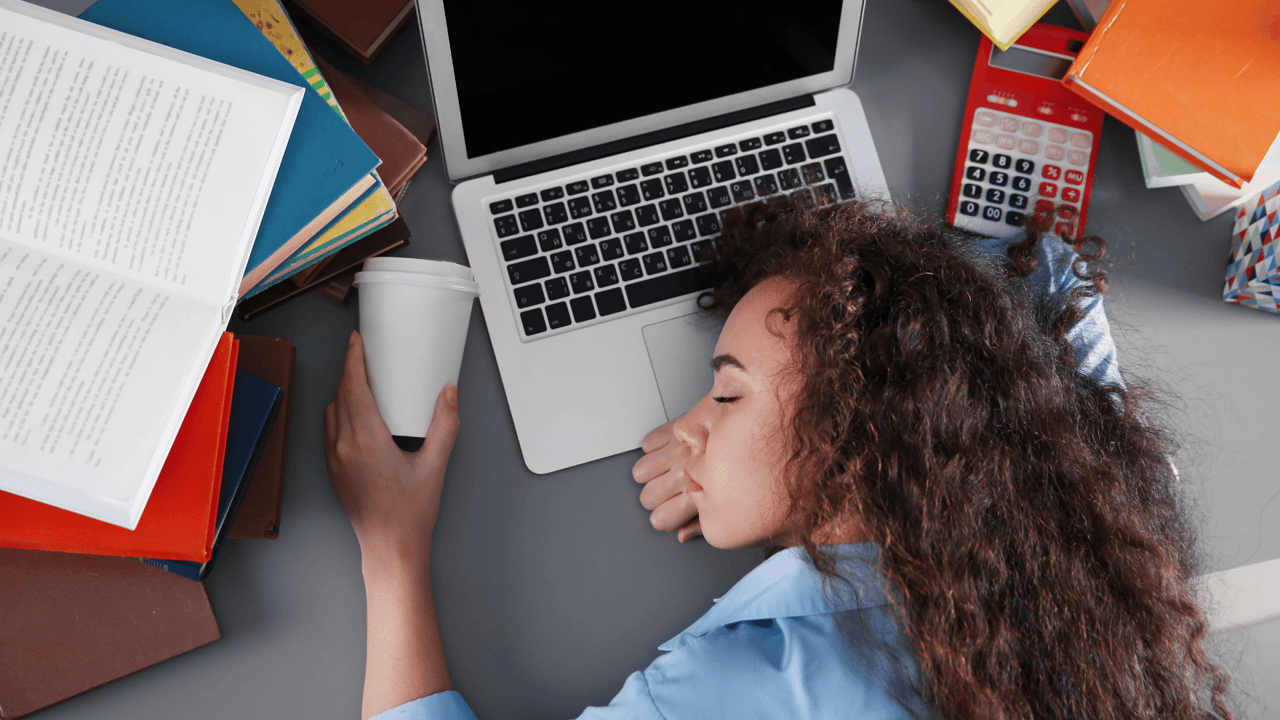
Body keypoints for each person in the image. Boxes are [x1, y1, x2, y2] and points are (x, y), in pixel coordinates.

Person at [324, 196, 1233, 720]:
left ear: (860, 433)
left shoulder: (750, 690)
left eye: (726, 393)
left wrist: (391, 549)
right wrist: (785, 466)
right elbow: (1054, 276)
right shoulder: (1071, 549)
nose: (688, 429)